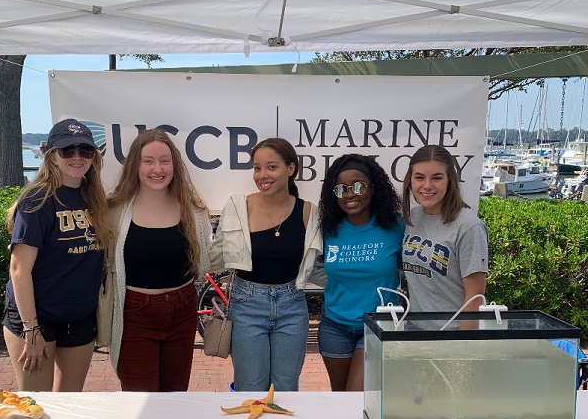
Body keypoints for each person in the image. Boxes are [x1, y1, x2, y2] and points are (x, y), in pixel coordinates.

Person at [2, 119, 111, 391]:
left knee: (69, 404)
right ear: (52, 156)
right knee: (39, 406)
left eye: (85, 151)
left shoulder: (95, 198)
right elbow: (19, 270)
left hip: (79, 317)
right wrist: (31, 329)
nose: (77, 157)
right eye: (67, 150)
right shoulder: (37, 200)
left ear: (94, 157)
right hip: (36, 318)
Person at [209, 137, 322, 392]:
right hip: (246, 306)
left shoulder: (308, 211)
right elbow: (216, 255)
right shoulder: (239, 206)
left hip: (292, 306)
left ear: (291, 169)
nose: (262, 175)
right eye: (257, 168)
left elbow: (316, 266)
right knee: (250, 389)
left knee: (285, 390)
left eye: (271, 167)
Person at [106, 129, 212, 392]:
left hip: (182, 310)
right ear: (135, 165)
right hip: (134, 315)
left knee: (174, 399)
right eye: (148, 161)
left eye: (165, 160)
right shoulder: (114, 210)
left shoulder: (192, 209)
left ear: (174, 164)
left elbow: (205, 264)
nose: (158, 168)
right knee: (140, 401)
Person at [317, 154, 404, 392]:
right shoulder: (327, 229)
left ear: (373, 188)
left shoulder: (396, 227)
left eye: (358, 186)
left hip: (377, 324)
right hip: (335, 326)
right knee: (339, 396)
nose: (350, 194)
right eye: (341, 189)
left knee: (357, 396)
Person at [401, 144, 489, 312]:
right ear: (410, 181)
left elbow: (475, 297)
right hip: (415, 331)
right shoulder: (413, 217)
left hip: (451, 333)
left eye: (436, 177)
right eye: (419, 177)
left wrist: (462, 338)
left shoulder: (469, 226)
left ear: (450, 180)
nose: (427, 185)